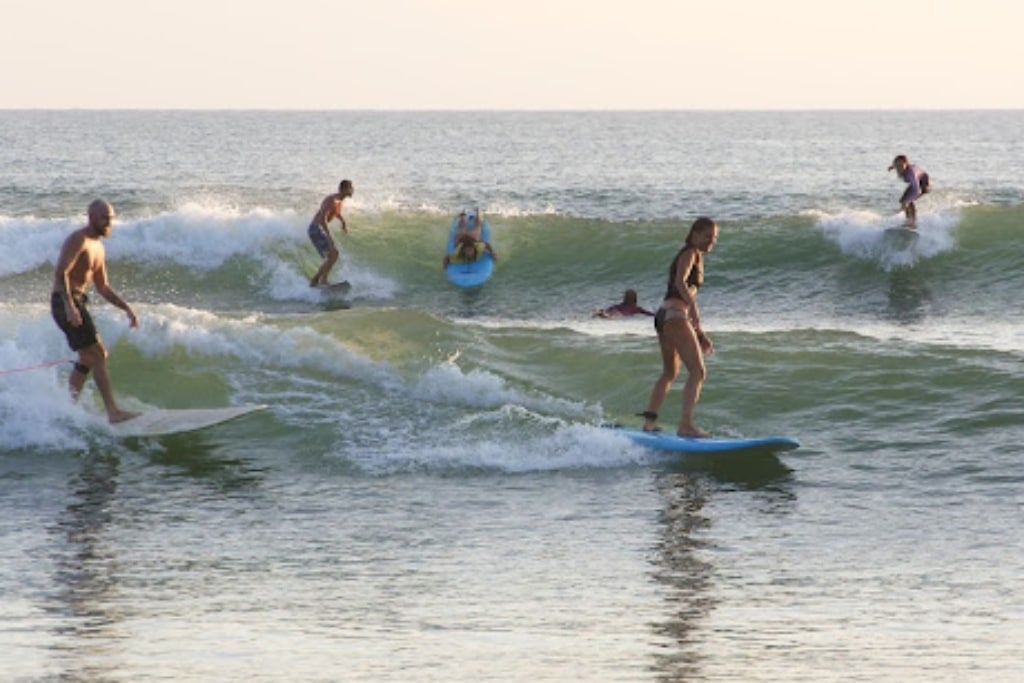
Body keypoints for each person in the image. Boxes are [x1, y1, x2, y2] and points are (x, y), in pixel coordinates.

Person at [51, 199, 139, 424]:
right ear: (91, 217)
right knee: (99, 354)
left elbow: (102, 287)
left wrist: (126, 309)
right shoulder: (78, 240)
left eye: (111, 218)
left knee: (88, 358)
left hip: (77, 301)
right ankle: (113, 412)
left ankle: (65, 409)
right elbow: (61, 274)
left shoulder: (98, 247)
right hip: (65, 301)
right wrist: (70, 306)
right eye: (104, 218)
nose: (109, 222)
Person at [641, 217, 719, 438]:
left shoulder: (692, 254)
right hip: (675, 316)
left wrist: (699, 332)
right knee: (698, 371)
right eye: (707, 236)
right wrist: (693, 309)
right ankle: (685, 425)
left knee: (669, 373)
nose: (711, 241)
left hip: (664, 316)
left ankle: (649, 422)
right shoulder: (690, 253)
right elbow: (679, 282)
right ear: (694, 235)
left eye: (714, 238)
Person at [308, 179, 354, 286]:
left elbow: (336, 213)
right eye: (350, 188)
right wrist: (330, 237)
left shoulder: (339, 201)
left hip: (318, 229)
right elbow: (322, 218)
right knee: (334, 254)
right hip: (316, 229)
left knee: (332, 255)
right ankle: (319, 280)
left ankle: (318, 280)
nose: (352, 190)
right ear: (344, 189)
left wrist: (343, 223)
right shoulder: (331, 200)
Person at [888, 155, 930, 228]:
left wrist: (907, 202)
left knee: (906, 201)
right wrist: (892, 167)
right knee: (905, 201)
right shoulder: (899, 167)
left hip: (922, 183)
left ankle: (912, 222)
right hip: (918, 181)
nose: (899, 168)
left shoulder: (911, 175)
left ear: (906, 164)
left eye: (901, 166)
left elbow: (916, 190)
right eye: (897, 165)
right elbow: (896, 164)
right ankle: (909, 221)